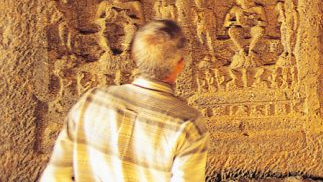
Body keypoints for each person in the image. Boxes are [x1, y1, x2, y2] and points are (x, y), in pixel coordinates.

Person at [40, 20, 209, 181]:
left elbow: (56, 175)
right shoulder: (188, 124)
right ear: (179, 65)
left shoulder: (92, 101)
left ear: (134, 56)